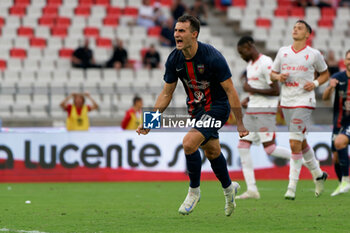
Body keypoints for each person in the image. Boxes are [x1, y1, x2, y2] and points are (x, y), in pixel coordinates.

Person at [137, 15, 249, 216]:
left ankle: (194, 192)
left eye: (181, 31)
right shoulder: (174, 59)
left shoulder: (212, 57)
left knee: (189, 143)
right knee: (213, 152)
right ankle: (228, 188)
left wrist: (240, 123)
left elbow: (231, 90)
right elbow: (166, 93)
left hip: (218, 107)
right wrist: (150, 121)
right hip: (197, 110)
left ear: (194, 34)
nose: (176, 34)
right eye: (175, 30)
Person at [270, 20, 329, 200]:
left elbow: (325, 73)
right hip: (287, 101)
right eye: (294, 27)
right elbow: (272, 74)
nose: (295, 29)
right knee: (300, 141)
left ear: (307, 34)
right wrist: (279, 76)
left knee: (294, 142)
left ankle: (292, 186)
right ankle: (318, 174)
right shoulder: (283, 52)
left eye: (300, 28)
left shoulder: (314, 54)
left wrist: (316, 83)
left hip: (305, 100)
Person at [236, 36, 291, 199]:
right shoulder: (250, 65)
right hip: (253, 109)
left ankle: (300, 157)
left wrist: (250, 88)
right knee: (242, 146)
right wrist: (249, 97)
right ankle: (252, 190)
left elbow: (275, 90)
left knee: (269, 148)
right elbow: (257, 90)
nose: (241, 56)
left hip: (265, 111)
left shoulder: (266, 62)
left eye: (241, 52)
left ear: (248, 46)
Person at [322, 50, 350, 196]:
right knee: (336, 157)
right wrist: (330, 87)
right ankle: (342, 184)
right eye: (348, 59)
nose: (349, 61)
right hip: (339, 123)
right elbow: (326, 98)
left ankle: (346, 180)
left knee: (339, 142)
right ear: (344, 61)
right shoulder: (337, 77)